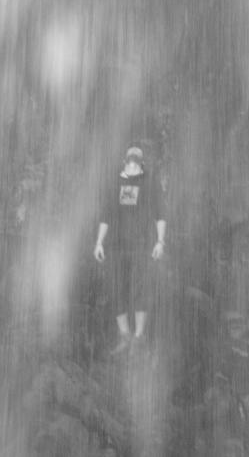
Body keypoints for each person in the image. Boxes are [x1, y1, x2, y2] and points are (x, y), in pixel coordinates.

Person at [94, 144, 166, 354]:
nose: (133, 164)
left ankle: (139, 337)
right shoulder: (116, 182)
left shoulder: (149, 183)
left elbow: (160, 214)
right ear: (124, 161)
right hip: (117, 246)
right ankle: (125, 336)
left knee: (140, 289)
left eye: (136, 161)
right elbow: (106, 216)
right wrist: (99, 242)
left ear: (142, 164)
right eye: (130, 160)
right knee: (117, 289)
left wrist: (160, 241)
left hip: (142, 245)